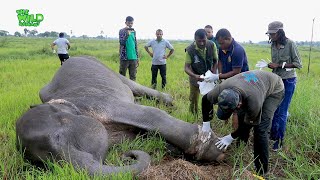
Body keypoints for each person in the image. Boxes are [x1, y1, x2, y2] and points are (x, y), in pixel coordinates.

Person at [201, 70, 284, 176]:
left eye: (237, 107)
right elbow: (205, 100)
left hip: (274, 88)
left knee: (260, 131)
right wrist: (206, 125)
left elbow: (249, 124)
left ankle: (262, 171)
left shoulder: (253, 101)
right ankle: (241, 143)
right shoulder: (221, 89)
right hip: (252, 85)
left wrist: (230, 137)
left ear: (240, 102)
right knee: (236, 116)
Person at [202, 28, 249, 131]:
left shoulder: (237, 50)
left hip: (240, 81)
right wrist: (220, 74)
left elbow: (236, 71)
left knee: (236, 107)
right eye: (219, 43)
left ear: (228, 39)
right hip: (227, 78)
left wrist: (218, 76)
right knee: (224, 101)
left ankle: (235, 132)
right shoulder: (222, 48)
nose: (220, 45)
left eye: (222, 43)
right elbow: (220, 62)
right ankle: (225, 124)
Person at [266, 21, 302, 151]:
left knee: (282, 112)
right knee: (274, 109)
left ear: (280, 32)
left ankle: (279, 142)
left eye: (273, 34)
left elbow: (298, 64)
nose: (271, 36)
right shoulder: (273, 45)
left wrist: (280, 65)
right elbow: (275, 63)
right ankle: (274, 135)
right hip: (276, 80)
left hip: (288, 81)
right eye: (269, 34)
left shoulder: (290, 44)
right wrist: (271, 64)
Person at [184, 29, 218, 115]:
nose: (202, 43)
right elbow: (186, 68)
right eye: (199, 41)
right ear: (195, 39)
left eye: (204, 40)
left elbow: (215, 60)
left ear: (207, 38)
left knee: (209, 98)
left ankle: (209, 115)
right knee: (193, 99)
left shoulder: (211, 45)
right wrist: (195, 75)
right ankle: (193, 116)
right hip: (195, 78)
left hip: (208, 77)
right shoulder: (190, 49)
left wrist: (213, 73)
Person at [119, 16, 139, 81]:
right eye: (129, 23)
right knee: (122, 76)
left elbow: (135, 44)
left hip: (133, 57)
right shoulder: (121, 31)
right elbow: (122, 42)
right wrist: (127, 35)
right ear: (126, 22)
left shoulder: (134, 31)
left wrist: (137, 57)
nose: (130, 25)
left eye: (131, 23)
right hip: (124, 57)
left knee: (133, 77)